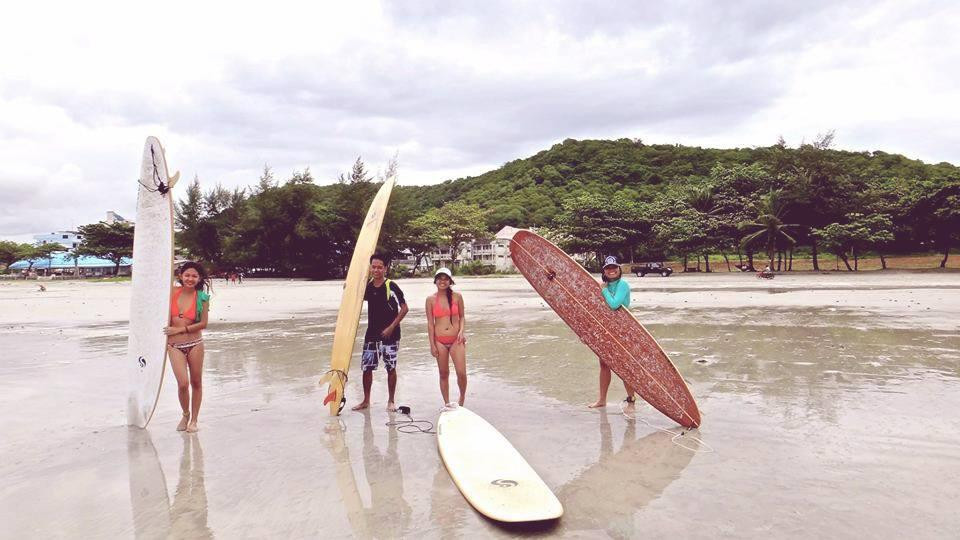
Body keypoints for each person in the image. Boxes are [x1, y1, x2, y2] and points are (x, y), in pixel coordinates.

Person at [352, 253, 408, 411]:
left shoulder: (391, 286)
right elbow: (356, 296)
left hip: (390, 335)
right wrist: (348, 287)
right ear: (370, 268)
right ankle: (366, 401)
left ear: (385, 268)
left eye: (379, 267)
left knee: (390, 368)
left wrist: (391, 327)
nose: (376, 270)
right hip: (372, 335)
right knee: (366, 368)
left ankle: (391, 401)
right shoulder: (368, 286)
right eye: (373, 267)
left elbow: (404, 309)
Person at [164, 262, 211, 432]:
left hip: (195, 344)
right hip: (174, 345)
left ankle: (194, 420)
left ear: (199, 279)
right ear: (181, 276)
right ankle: (185, 414)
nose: (190, 279)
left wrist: (180, 329)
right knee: (183, 383)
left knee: (196, 382)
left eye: (194, 276)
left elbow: (204, 323)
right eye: (187, 275)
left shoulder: (202, 297)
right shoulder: (171, 293)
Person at [588, 256, 638, 410]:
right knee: (604, 364)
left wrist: (603, 290)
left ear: (619, 269)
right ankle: (602, 400)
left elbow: (615, 304)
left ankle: (631, 398)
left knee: (624, 365)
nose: (611, 270)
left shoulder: (622, 285)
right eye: (608, 268)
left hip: (623, 329)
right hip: (606, 328)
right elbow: (595, 310)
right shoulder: (602, 286)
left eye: (614, 267)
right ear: (604, 270)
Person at [426, 267, 467, 410]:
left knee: (461, 373)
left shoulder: (457, 297)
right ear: (435, 280)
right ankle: (447, 403)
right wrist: (432, 345)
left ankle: (461, 400)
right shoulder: (430, 299)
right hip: (439, 341)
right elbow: (430, 324)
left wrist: (462, 331)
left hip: (457, 340)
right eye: (440, 278)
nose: (442, 281)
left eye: (445, 278)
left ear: (450, 281)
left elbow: (462, 317)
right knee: (443, 373)